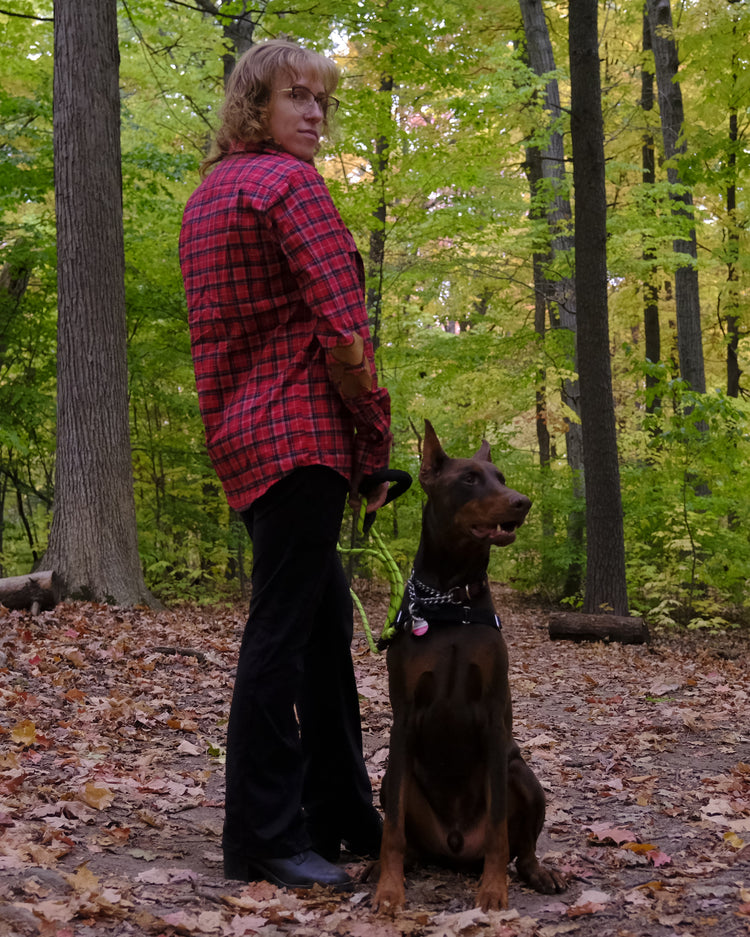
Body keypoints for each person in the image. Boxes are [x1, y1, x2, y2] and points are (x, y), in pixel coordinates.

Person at [179, 39, 392, 891]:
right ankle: (263, 835)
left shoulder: (208, 197)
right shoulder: (292, 187)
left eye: (322, 100)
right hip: (301, 438)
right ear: (253, 104)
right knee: (280, 635)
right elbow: (344, 332)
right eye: (295, 96)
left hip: (242, 441)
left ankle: (340, 811)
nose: (314, 113)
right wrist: (373, 442)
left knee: (323, 631)